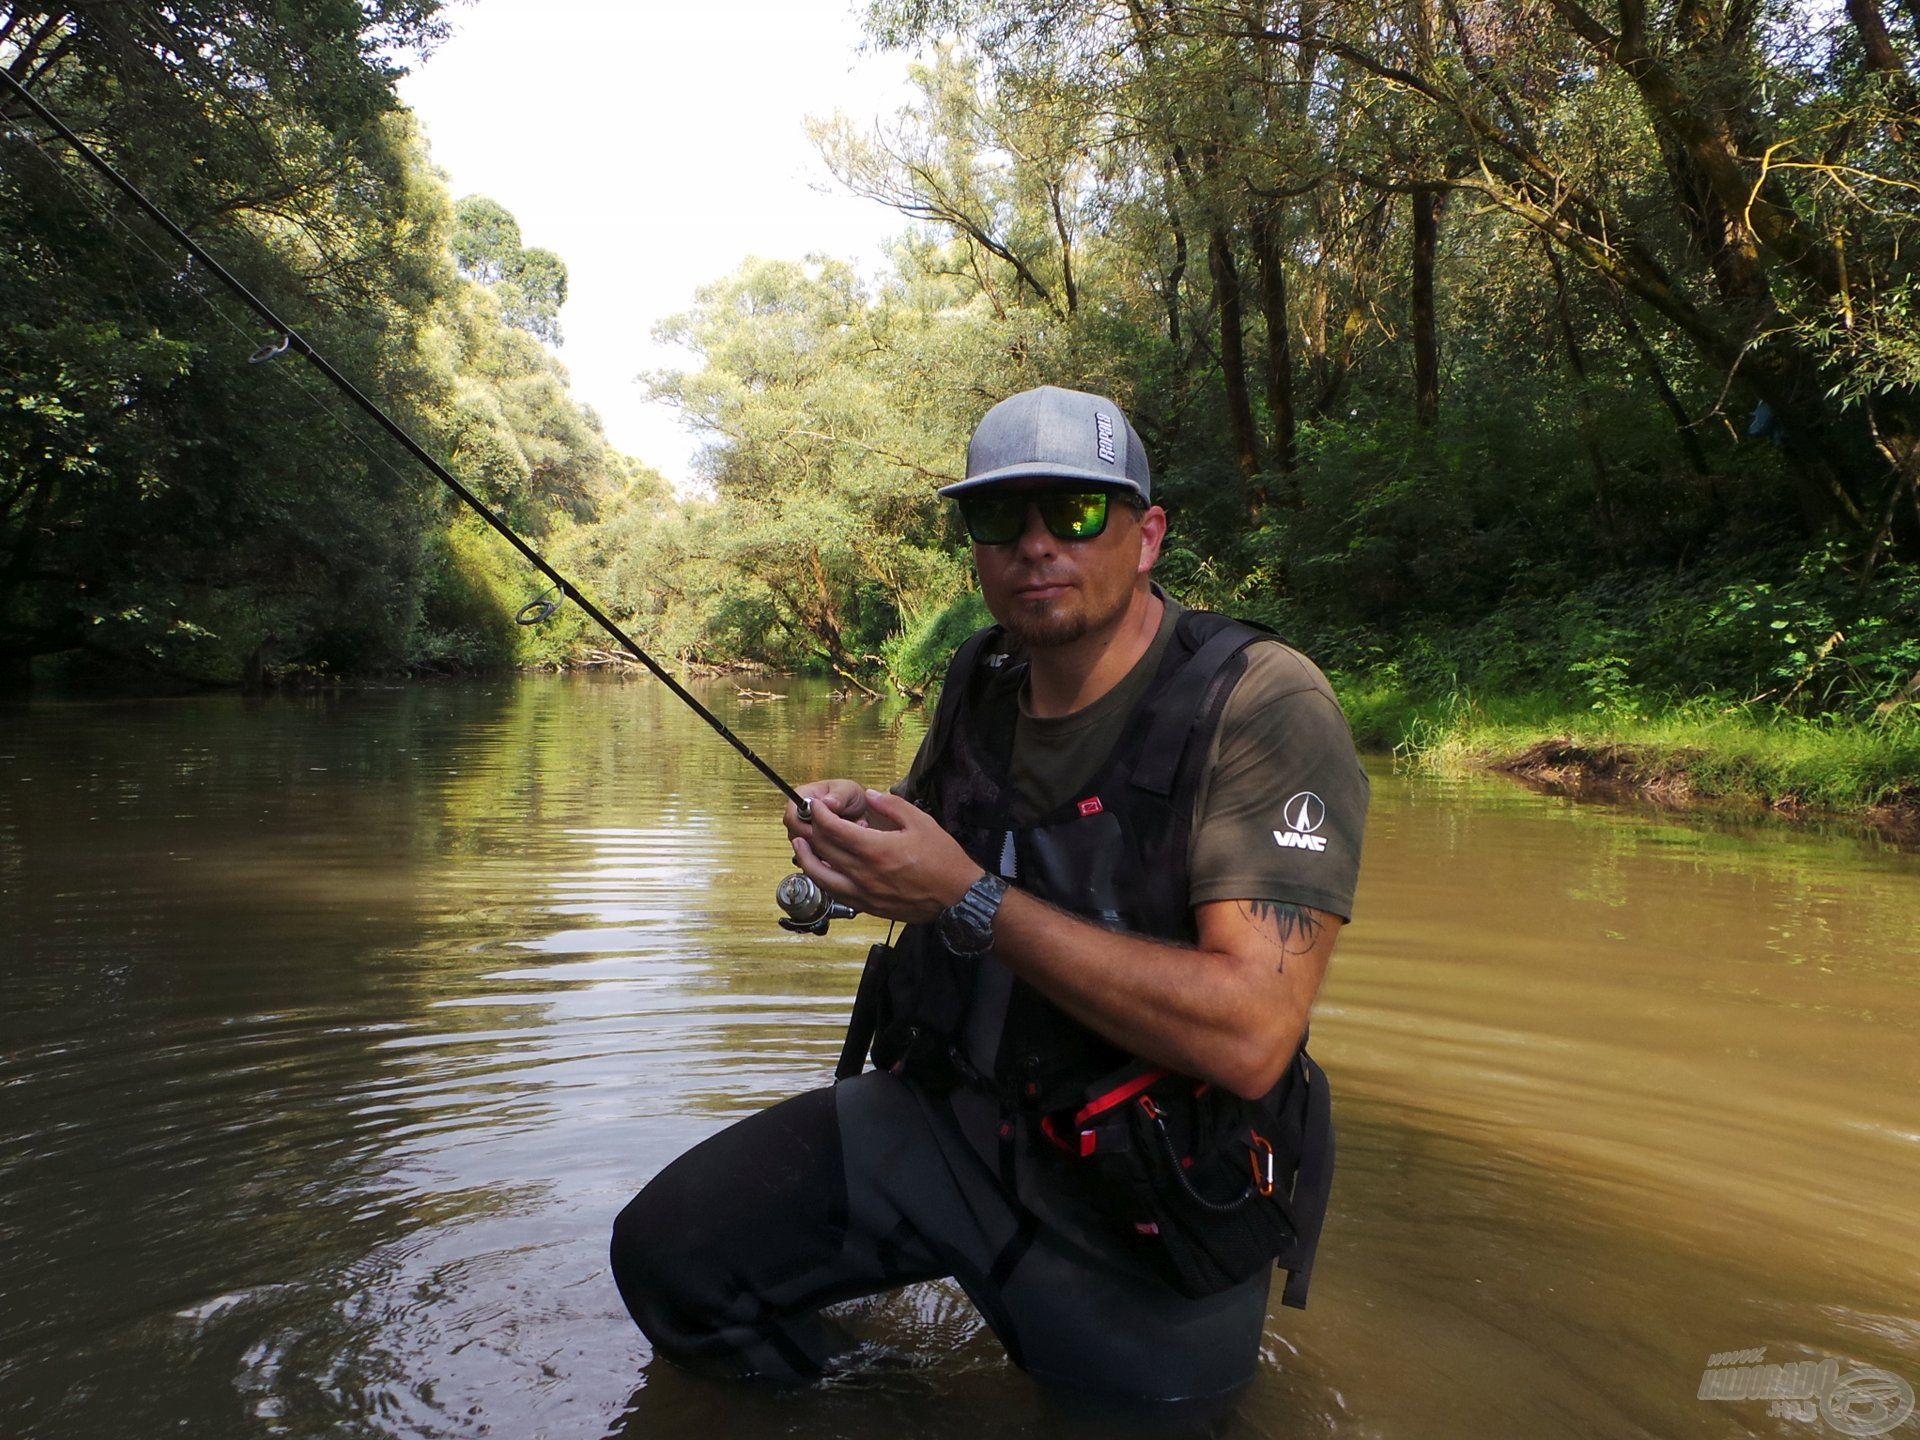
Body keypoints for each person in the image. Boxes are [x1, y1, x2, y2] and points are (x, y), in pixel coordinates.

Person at [610, 385, 1367, 1406]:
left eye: (1077, 512)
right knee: (672, 1257)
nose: (1036, 543)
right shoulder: (982, 672)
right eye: (999, 517)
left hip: (1143, 1198)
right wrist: (866, 846)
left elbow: (1251, 1032)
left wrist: (964, 896)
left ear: (1146, 536)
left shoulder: (1264, 705)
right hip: (952, 1122)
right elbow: (942, 869)